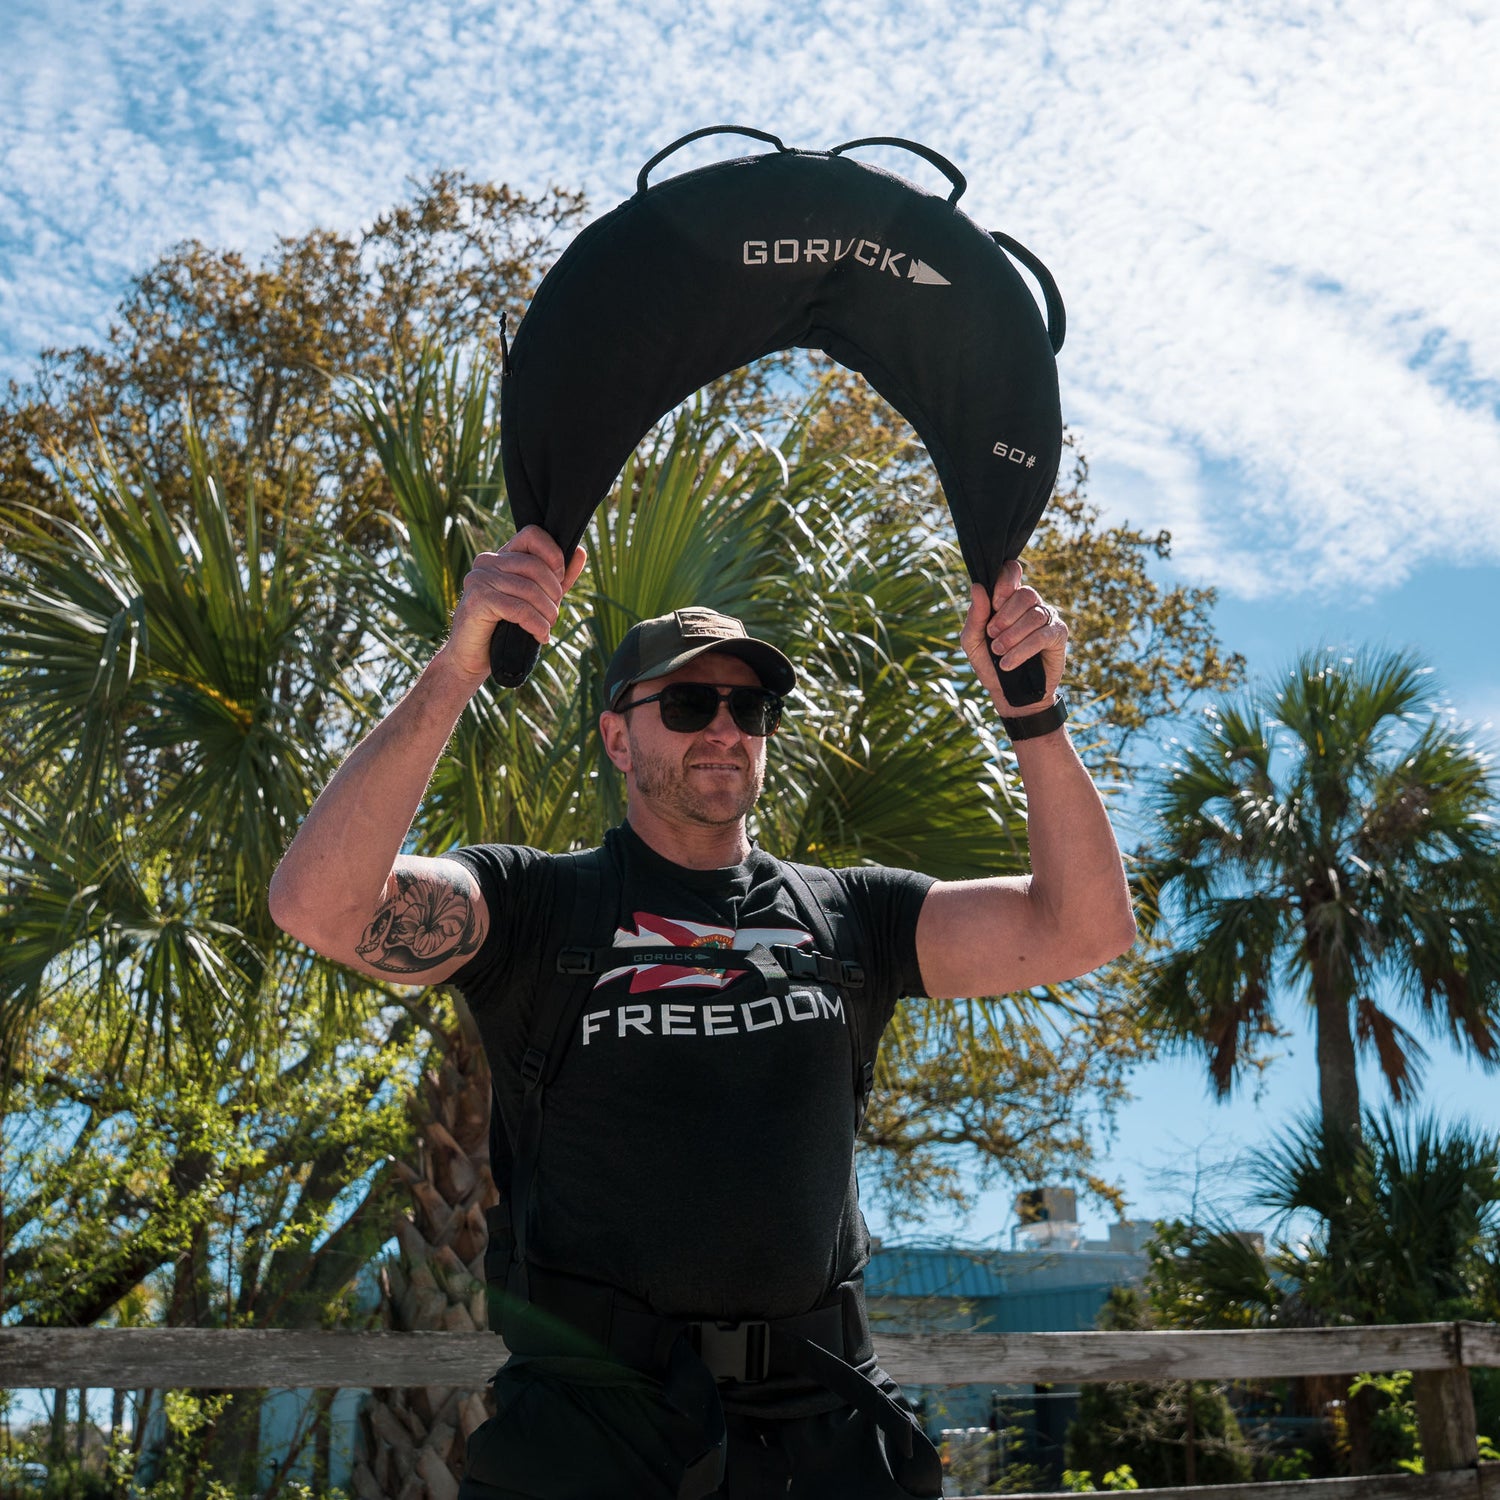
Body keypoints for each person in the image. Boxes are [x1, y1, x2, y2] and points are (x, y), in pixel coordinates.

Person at [268, 525, 1136, 1499]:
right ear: (615, 735)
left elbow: (1085, 929)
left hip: (831, 1437)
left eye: (748, 706)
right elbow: (322, 906)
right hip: (591, 1441)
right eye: (687, 702)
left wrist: (1036, 714)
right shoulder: (533, 906)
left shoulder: (852, 916)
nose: (724, 728)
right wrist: (464, 660)